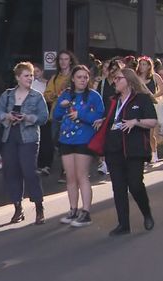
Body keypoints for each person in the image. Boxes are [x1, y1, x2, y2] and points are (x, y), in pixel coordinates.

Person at [98, 68, 157, 236]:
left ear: (129, 81)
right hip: (114, 149)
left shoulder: (142, 99)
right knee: (118, 188)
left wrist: (136, 122)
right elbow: (111, 121)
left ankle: (147, 213)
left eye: (118, 78)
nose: (115, 81)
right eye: (114, 79)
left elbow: (152, 121)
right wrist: (102, 121)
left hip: (134, 150)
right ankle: (123, 225)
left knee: (135, 184)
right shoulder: (113, 101)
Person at [0, 62, 48, 224]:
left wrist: (27, 117)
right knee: (11, 171)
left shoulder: (37, 96)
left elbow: (44, 117)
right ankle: (18, 207)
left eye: (31, 75)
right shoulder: (8, 95)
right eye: (26, 75)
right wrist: (7, 116)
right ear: (18, 77)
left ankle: (39, 207)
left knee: (29, 171)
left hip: (29, 137)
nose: (30, 78)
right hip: (10, 136)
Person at [53, 65, 104, 227]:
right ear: (73, 79)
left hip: (84, 139)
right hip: (66, 139)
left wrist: (80, 114)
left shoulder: (94, 96)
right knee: (70, 176)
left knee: (82, 175)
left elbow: (99, 116)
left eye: (85, 77)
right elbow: (56, 116)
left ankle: (86, 211)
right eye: (79, 77)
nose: (82, 80)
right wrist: (61, 106)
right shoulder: (66, 94)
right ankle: (73, 209)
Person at [43, 50, 79, 183]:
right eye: (61, 59)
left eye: (66, 59)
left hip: (70, 114)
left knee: (66, 142)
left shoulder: (75, 76)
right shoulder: (55, 77)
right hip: (56, 113)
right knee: (55, 140)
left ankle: (65, 170)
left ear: (70, 61)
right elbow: (47, 94)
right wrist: (55, 96)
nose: (63, 62)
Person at [136, 56, 163, 163]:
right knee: (140, 132)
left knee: (150, 133)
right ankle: (143, 154)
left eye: (144, 64)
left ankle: (154, 153)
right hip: (139, 106)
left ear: (149, 66)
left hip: (151, 106)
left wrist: (153, 96)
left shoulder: (155, 77)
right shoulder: (136, 77)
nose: (141, 66)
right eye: (140, 64)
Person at [33, 63, 52, 175]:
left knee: (46, 138)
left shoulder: (47, 83)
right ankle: (38, 164)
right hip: (33, 113)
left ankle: (46, 164)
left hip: (44, 112)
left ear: (42, 71)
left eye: (38, 71)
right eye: (33, 71)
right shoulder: (30, 84)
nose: (35, 74)